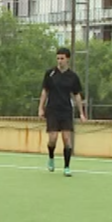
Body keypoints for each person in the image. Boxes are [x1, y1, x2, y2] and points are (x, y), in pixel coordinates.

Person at [39, 48, 87, 176]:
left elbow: (77, 96)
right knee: (53, 139)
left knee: (67, 139)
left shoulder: (73, 77)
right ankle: (51, 157)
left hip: (66, 110)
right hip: (52, 110)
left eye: (62, 58)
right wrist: (41, 108)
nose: (59, 61)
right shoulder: (50, 74)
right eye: (58, 58)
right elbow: (45, 92)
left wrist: (81, 113)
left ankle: (67, 167)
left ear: (67, 59)